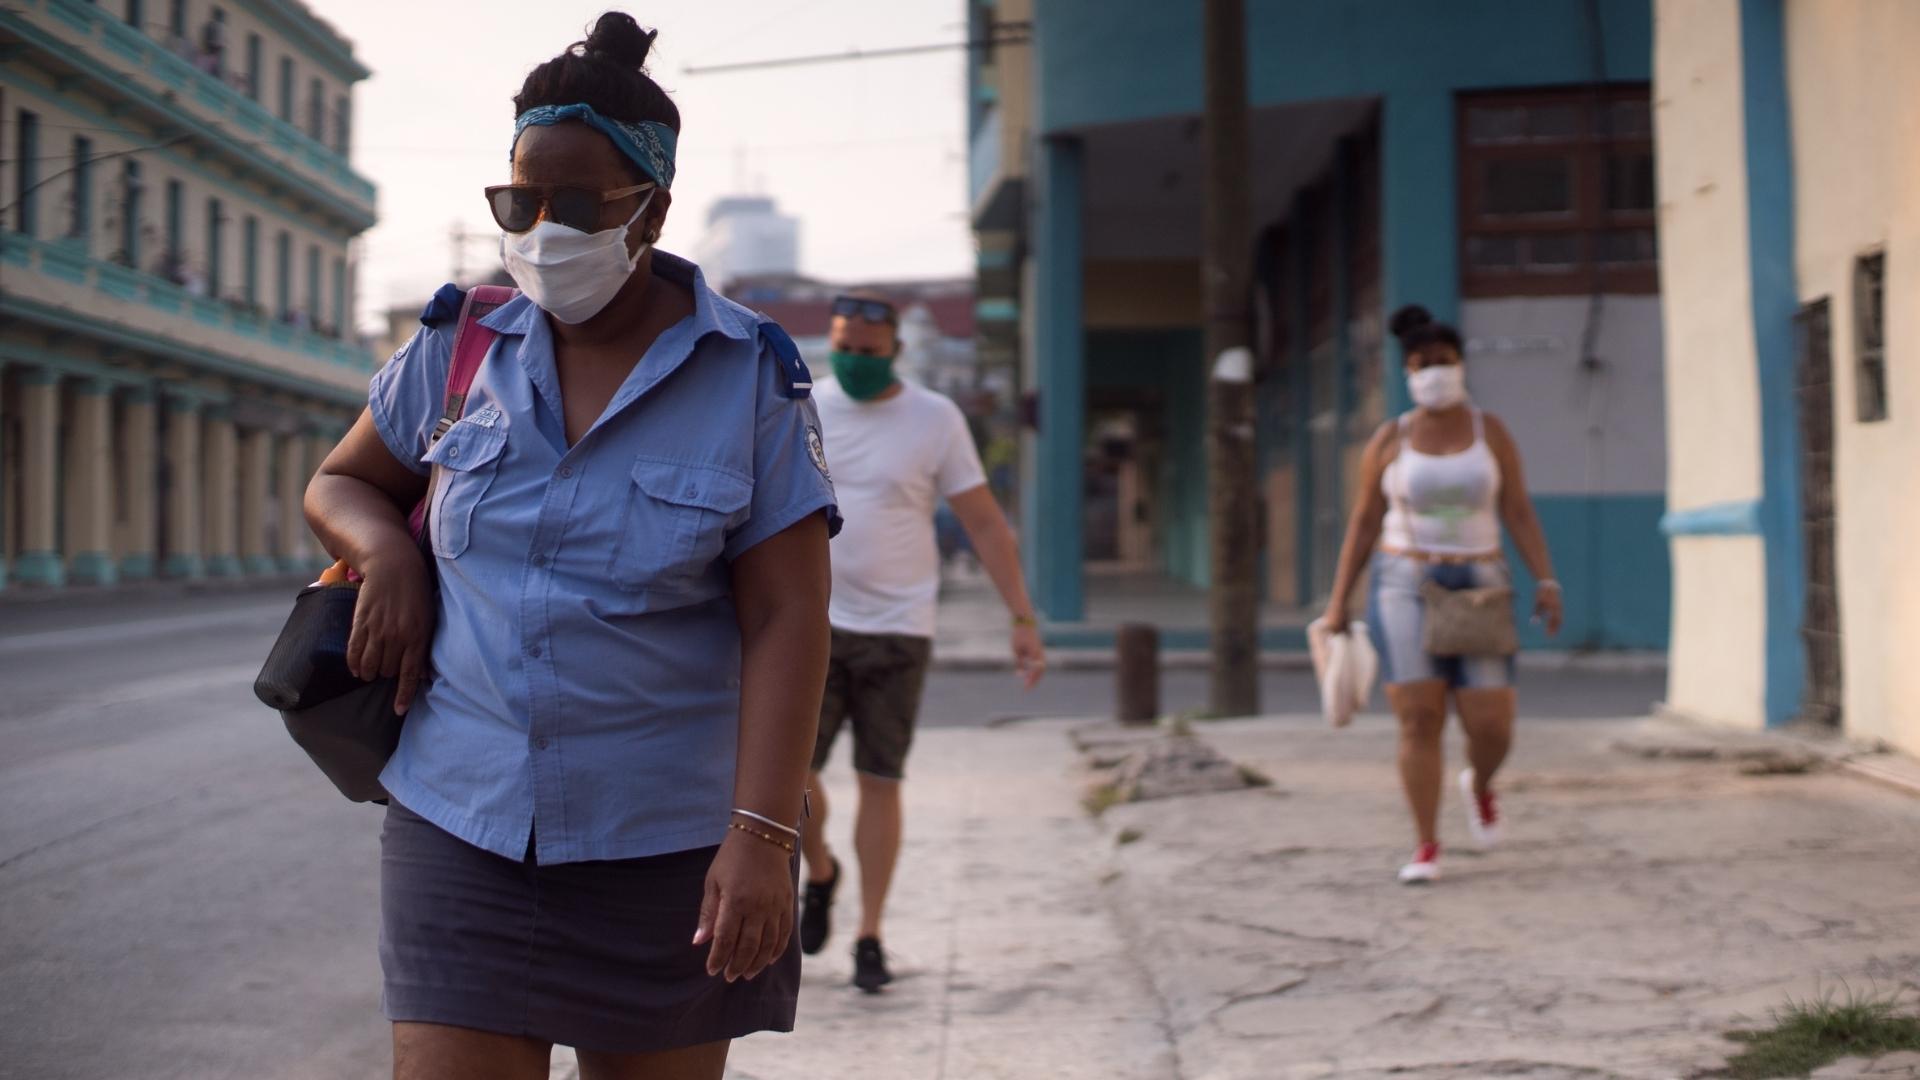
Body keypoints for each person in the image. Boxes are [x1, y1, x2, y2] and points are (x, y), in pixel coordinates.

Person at [303, 15, 838, 1079]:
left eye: (581, 204)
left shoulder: (750, 378)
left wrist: (765, 837)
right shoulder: (459, 344)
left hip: (669, 845)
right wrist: (392, 552)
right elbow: (343, 480)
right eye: (521, 202)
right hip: (463, 816)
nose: (546, 229)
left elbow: (787, 616)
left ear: (654, 208)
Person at [798, 290, 1046, 991]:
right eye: (844, 348)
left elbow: (985, 523)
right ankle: (819, 872)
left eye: (869, 353)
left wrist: (1022, 619)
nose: (854, 362)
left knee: (883, 779)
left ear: (896, 351)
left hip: (901, 627)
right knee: (790, 778)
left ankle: (870, 933)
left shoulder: (934, 419)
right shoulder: (802, 407)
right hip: (812, 622)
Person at [1321, 305, 1563, 886]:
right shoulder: (1390, 439)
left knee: (1491, 723)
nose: (1434, 373)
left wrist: (1545, 579)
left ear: (1461, 366)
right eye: (1421, 365)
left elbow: (1519, 511)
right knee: (1419, 717)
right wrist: (1337, 603)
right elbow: (1362, 523)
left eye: (1444, 363)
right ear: (1407, 373)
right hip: (1405, 581)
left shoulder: (1491, 433)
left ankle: (1479, 785)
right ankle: (1426, 843)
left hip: (1481, 580)